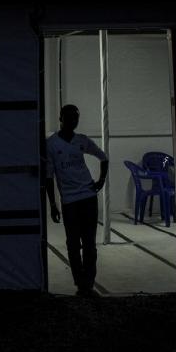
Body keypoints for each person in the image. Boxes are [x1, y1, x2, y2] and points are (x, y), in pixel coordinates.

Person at [44, 103, 109, 297]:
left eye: (76, 118)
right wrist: (53, 204)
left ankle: (87, 284)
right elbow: (49, 176)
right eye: (70, 117)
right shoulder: (52, 144)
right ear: (61, 118)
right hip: (70, 202)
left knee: (89, 244)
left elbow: (103, 157)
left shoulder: (82, 141)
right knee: (73, 244)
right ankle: (80, 283)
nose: (74, 121)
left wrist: (101, 181)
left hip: (88, 198)